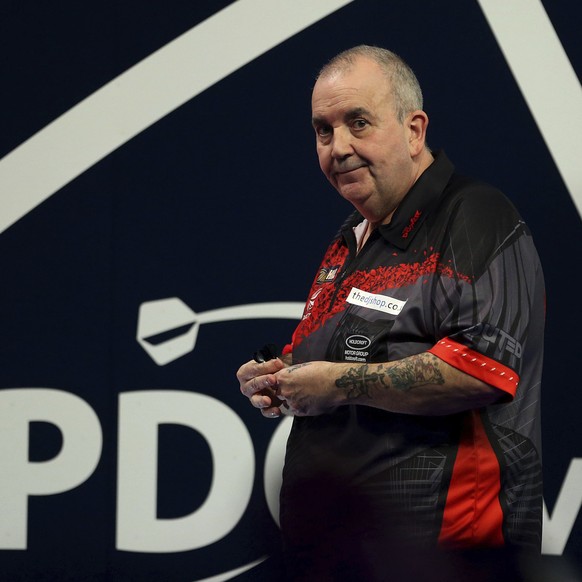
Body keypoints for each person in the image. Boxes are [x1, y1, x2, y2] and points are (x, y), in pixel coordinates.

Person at [237, 45, 544, 581]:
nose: (339, 147)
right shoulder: (350, 239)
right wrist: (285, 375)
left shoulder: (474, 215)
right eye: (323, 130)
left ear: (414, 130)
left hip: (445, 559)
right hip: (345, 558)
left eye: (359, 122)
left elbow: (480, 370)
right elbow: (363, 349)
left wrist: (335, 384)